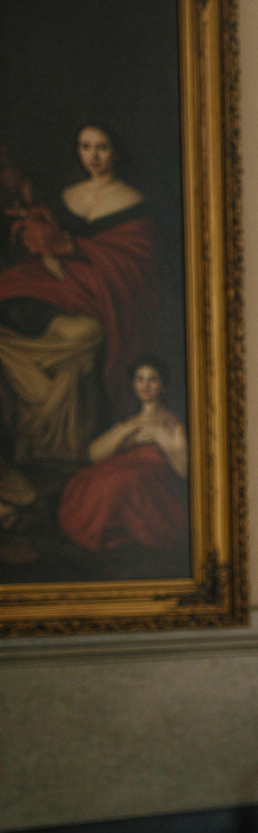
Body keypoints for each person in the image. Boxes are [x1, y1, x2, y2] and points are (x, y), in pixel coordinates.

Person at [0, 123, 164, 527]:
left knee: (83, 336)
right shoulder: (65, 197)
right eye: (85, 147)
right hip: (60, 288)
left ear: (117, 151)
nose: (92, 156)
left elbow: (135, 270)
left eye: (102, 147)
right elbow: (46, 252)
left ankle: (58, 447)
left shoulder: (135, 204)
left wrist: (72, 247)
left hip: (104, 296)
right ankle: (37, 442)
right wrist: (37, 234)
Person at [57, 355, 188, 553]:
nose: (145, 385)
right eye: (140, 379)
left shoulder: (173, 425)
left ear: (163, 386)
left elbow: (184, 470)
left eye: (152, 379)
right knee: (89, 478)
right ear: (134, 385)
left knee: (121, 479)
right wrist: (127, 430)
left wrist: (157, 435)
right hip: (122, 471)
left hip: (154, 482)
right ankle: (109, 530)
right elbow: (93, 454)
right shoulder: (128, 422)